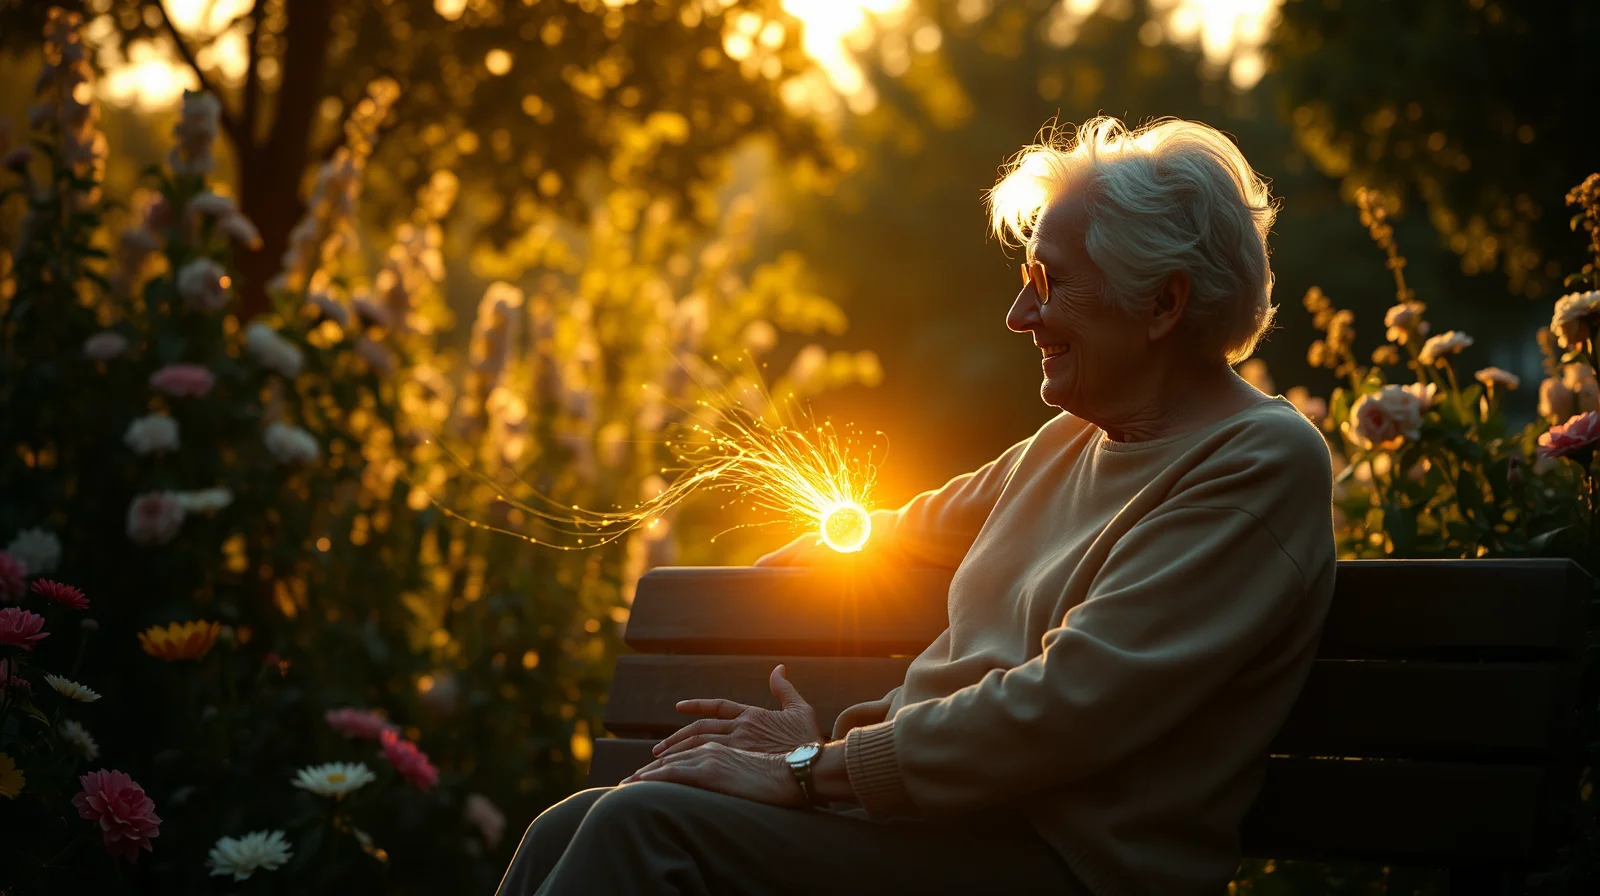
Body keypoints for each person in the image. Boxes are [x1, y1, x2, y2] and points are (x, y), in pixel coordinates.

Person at [496, 115, 1336, 896]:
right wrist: (794, 571)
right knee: (563, 828)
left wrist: (806, 767)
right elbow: (896, 532)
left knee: (644, 832)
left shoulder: (1257, 462)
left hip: (1053, 865)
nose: (1019, 314)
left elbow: (1066, 707)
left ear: (1163, 304)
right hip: (937, 835)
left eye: (1051, 281)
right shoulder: (1069, 444)